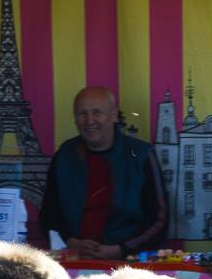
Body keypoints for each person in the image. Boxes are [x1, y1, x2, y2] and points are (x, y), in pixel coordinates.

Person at [39, 86, 167, 259]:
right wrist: (70, 242)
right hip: (73, 260)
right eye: (81, 113)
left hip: (128, 263)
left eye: (97, 112)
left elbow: (160, 220)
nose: (89, 120)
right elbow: (48, 216)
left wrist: (121, 249)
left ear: (114, 115)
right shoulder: (63, 156)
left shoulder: (141, 154)